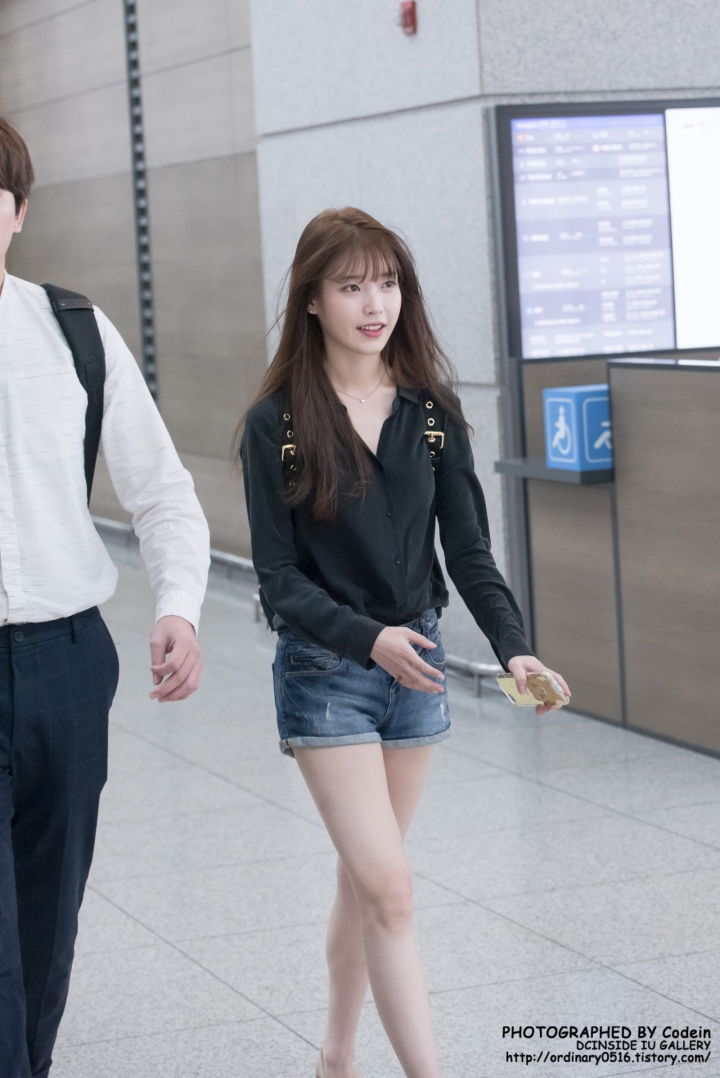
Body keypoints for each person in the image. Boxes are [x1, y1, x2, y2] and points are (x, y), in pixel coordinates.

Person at [240, 206, 571, 1078]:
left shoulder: (430, 415)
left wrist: (515, 648)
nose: (373, 303)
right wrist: (367, 638)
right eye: (351, 286)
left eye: (386, 283)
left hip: (414, 669)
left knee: (366, 881)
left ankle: (336, 1057)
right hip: (327, 672)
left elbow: (469, 553)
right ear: (313, 300)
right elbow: (279, 581)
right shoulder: (276, 424)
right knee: (390, 887)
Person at [0, 118, 210, 1077]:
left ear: (19, 214)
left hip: (68, 663)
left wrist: (179, 606)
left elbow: (161, 490)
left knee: (48, 923)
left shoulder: (73, 331)